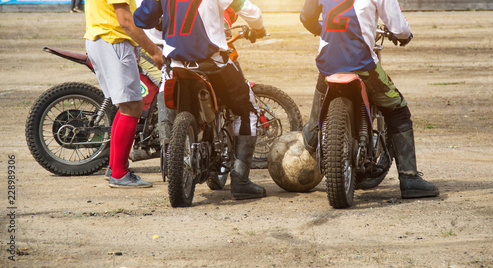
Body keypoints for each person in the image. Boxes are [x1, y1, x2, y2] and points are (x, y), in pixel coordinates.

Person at [300, 0, 439, 199]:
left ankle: (312, 133)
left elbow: (306, 18)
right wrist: (405, 36)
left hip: (327, 62)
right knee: (398, 109)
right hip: (362, 64)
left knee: (324, 77)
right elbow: (399, 27)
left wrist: (320, 28)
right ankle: (410, 178)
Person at [134, 0, 267, 200]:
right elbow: (248, 11)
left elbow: (142, 18)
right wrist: (259, 27)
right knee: (247, 111)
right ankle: (241, 180)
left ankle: (168, 155)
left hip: (176, 64)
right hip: (212, 64)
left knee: (166, 104)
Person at [84, 0, 163, 188]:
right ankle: (119, 173)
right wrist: (154, 51)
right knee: (132, 105)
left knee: (127, 105)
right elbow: (125, 20)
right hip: (113, 40)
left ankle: (115, 167)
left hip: (103, 39)